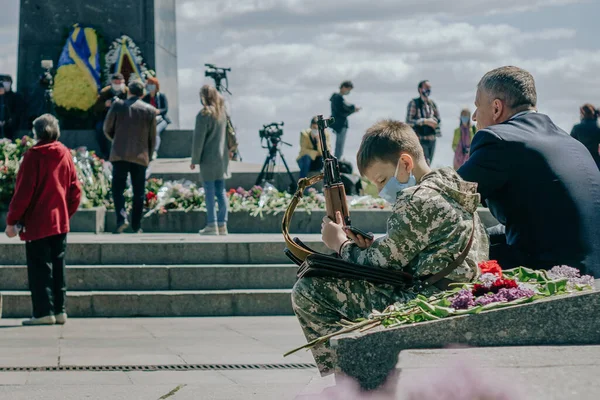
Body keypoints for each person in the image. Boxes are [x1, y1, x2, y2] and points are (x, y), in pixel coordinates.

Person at [292, 119, 489, 375]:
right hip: (456, 293)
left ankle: (345, 381)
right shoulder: (451, 187)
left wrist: (340, 244)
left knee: (309, 290)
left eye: (382, 179)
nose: (381, 189)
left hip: (430, 301)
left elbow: (377, 263)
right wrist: (375, 245)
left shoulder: (417, 200)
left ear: (405, 163)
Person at [458, 66, 600, 277]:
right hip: (593, 270)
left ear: (496, 108)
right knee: (490, 236)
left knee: (452, 254)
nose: (476, 117)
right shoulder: (571, 143)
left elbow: (447, 194)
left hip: (550, 272)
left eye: (478, 106)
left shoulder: (499, 140)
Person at [4, 114, 81, 325]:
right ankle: (60, 310)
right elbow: (75, 190)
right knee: (58, 266)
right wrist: (66, 212)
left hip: (38, 222)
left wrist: (12, 221)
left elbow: (23, 193)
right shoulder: (65, 153)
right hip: (59, 222)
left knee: (39, 268)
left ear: (36, 132)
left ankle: (43, 312)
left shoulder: (33, 156)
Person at [104, 80, 157, 234]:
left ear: (129, 92)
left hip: (120, 154)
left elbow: (107, 128)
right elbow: (152, 137)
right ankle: (136, 225)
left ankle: (121, 218)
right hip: (141, 155)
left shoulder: (118, 105)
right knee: (139, 191)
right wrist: (149, 153)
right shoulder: (150, 110)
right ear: (142, 94)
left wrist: (116, 140)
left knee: (118, 188)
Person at [190, 85, 229, 236]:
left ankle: (211, 224)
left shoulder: (204, 114)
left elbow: (198, 140)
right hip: (221, 158)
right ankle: (222, 224)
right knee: (221, 192)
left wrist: (195, 159)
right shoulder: (222, 112)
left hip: (208, 158)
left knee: (209, 192)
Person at [406, 80, 441, 165]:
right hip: (420, 139)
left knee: (429, 165)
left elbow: (438, 119)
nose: (428, 90)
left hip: (432, 139)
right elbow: (408, 122)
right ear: (420, 89)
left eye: (429, 88)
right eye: (426, 88)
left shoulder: (432, 104)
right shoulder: (414, 103)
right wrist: (425, 121)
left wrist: (434, 122)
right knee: (425, 163)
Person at [94, 73, 128, 159]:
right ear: (111, 82)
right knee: (99, 128)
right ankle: (105, 153)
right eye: (115, 82)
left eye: (119, 83)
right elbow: (96, 107)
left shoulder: (127, 91)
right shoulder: (105, 92)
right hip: (107, 118)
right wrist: (105, 104)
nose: (117, 85)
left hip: (123, 119)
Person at [329, 81, 361, 159]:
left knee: (339, 145)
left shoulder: (336, 98)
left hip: (338, 123)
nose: (348, 91)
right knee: (339, 145)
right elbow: (342, 110)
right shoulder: (338, 98)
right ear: (343, 87)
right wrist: (352, 109)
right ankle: (337, 160)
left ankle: (338, 159)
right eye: (348, 89)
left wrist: (352, 110)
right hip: (340, 124)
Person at [142, 77, 171, 160]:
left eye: (152, 84)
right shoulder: (146, 97)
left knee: (156, 131)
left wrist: (158, 111)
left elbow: (165, 109)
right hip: (149, 120)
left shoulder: (161, 96)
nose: (150, 86)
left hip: (161, 120)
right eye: (149, 84)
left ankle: (154, 151)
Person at [570, 103, 600, 169]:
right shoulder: (597, 129)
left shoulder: (577, 128)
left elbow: (570, 144)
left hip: (581, 161)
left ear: (582, 114)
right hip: (595, 161)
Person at [0, 75, 23, 140]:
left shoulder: (15, 97)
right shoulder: (1, 97)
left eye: (7, 81)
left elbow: (17, 112)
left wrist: (7, 121)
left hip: (10, 129)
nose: (5, 83)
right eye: (3, 81)